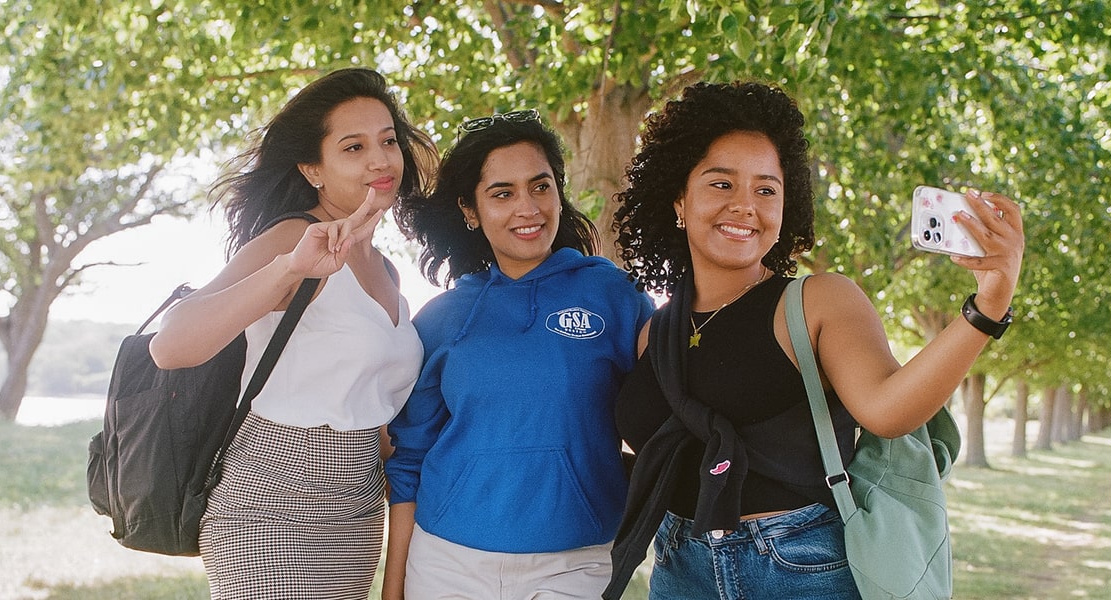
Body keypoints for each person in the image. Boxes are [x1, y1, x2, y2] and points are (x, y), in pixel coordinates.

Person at [601, 82, 1024, 599]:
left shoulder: (817, 301)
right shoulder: (654, 331)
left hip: (798, 568)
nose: (745, 206)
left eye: (766, 189)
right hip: (680, 566)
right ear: (680, 202)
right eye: (720, 184)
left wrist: (988, 307)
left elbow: (888, 410)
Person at [147, 67, 437, 599]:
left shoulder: (387, 272)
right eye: (353, 147)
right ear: (313, 168)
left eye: (388, 140)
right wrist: (290, 268)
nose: (380, 159)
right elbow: (171, 344)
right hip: (275, 496)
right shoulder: (294, 237)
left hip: (358, 499)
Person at [384, 110, 654, 599]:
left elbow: (663, 414)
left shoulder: (614, 296)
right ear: (471, 211)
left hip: (575, 563)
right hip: (447, 562)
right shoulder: (442, 318)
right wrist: (394, 586)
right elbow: (408, 461)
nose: (526, 208)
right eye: (502, 193)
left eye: (540, 186)